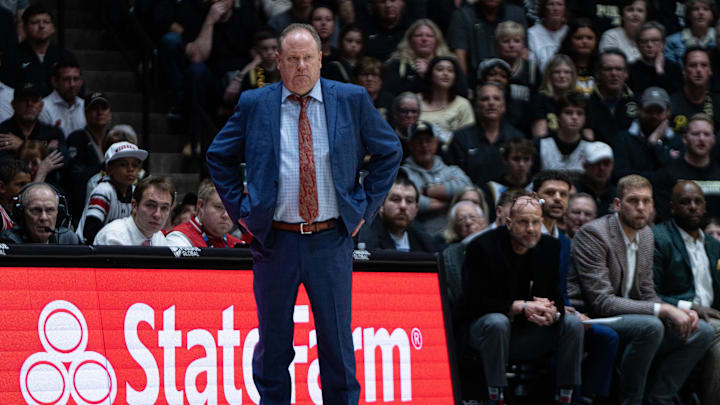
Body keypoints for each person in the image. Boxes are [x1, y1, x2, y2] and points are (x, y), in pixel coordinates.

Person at [205, 24, 402, 404]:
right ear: (278, 61)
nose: (300, 67)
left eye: (307, 58)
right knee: (274, 346)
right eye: (291, 59)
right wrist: (244, 214)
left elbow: (389, 151)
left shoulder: (351, 98)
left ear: (320, 60)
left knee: (336, 345)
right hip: (275, 240)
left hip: (331, 238)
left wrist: (363, 207)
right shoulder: (254, 103)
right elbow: (218, 155)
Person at [568, 174, 715, 405]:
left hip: (631, 317)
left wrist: (675, 311)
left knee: (702, 331)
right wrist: (664, 310)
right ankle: (630, 401)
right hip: (592, 317)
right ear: (617, 204)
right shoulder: (594, 234)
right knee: (652, 326)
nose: (641, 207)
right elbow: (602, 302)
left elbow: (648, 292)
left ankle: (659, 398)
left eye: (646, 201)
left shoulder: (646, 234)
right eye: (633, 201)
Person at [462, 195, 583, 405]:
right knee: (497, 322)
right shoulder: (482, 247)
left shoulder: (549, 248)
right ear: (509, 223)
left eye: (536, 222)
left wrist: (551, 312)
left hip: (528, 330)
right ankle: (496, 395)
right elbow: (473, 301)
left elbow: (554, 296)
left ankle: (566, 396)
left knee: (572, 323)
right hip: (484, 329)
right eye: (523, 222)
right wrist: (518, 306)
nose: (531, 228)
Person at [653, 180, 720, 404]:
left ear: (705, 207)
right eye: (685, 202)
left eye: (697, 202)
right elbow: (649, 292)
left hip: (713, 316)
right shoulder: (659, 238)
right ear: (672, 207)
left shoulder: (713, 245)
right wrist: (691, 306)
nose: (692, 207)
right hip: (678, 316)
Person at [445, 82, 523, 187]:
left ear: (503, 107)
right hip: (472, 197)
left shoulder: (516, 137)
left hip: (509, 198)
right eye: (485, 99)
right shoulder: (462, 138)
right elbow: (453, 177)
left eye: (496, 98)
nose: (491, 103)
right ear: (476, 106)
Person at [402, 120, 471, 235]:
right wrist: (451, 200)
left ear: (436, 142)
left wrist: (425, 191)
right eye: (418, 141)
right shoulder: (403, 174)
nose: (424, 145)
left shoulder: (452, 170)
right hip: (418, 238)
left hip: (453, 236)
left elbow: (467, 190)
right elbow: (415, 203)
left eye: (428, 140)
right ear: (409, 144)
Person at [76, 141, 148, 244]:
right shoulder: (103, 191)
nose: (130, 169)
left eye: (135, 165)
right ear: (109, 169)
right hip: (90, 248)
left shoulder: (135, 192)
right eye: (123, 164)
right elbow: (90, 231)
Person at [654, 113, 720, 223]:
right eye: (695, 134)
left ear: (713, 139)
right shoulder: (667, 175)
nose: (701, 139)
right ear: (684, 138)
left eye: (706, 134)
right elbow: (664, 220)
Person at [613, 86, 680, 179]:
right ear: (639, 110)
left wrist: (655, 143)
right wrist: (658, 177)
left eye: (659, 111)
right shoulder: (624, 139)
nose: (654, 116)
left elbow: (675, 175)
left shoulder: (676, 139)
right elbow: (620, 175)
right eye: (649, 111)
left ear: (668, 112)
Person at [357, 174, 435, 252]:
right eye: (396, 199)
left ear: (416, 209)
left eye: (409, 201)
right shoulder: (364, 238)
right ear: (381, 205)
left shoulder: (425, 242)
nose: (403, 206)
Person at [65, 92, 112, 220]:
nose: (99, 112)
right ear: (85, 113)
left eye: (104, 108)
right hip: (82, 206)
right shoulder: (76, 138)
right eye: (94, 108)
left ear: (110, 113)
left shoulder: (115, 139)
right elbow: (77, 176)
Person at [446, 0, 527, 74]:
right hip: (474, 80)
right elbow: (460, 54)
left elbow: (524, 52)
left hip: (511, 77)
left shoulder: (516, 14)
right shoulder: (463, 15)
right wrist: (464, 88)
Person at [166, 178, 251, 247]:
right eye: (219, 207)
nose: (226, 215)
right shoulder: (179, 239)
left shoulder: (238, 244)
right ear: (201, 205)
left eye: (231, 208)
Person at [383, 19, 458, 96]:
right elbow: (390, 94)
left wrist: (427, 74)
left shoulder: (450, 63)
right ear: (410, 40)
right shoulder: (396, 64)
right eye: (418, 35)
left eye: (429, 36)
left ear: (437, 40)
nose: (424, 39)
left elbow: (460, 91)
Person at [94, 176, 175, 246]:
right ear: (134, 205)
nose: (157, 215)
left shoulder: (158, 238)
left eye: (164, 208)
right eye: (150, 205)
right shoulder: (112, 237)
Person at [15, 5, 76, 97]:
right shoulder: (13, 55)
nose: (42, 26)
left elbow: (77, 89)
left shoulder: (65, 57)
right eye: (35, 22)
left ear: (53, 28)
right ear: (25, 27)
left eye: (46, 22)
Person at [0, 81, 65, 161]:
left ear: (41, 106)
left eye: (34, 100)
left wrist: (22, 146)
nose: (29, 104)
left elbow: (63, 161)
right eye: (24, 100)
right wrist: (46, 150)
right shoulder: (2, 132)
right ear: (13, 104)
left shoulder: (53, 133)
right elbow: (4, 166)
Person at [417, 56, 475, 145]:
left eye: (450, 70)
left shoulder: (463, 104)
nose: (445, 73)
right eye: (440, 69)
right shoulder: (415, 101)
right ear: (430, 74)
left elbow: (469, 139)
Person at [585, 48, 637, 144]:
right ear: (598, 73)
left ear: (626, 73)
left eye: (619, 69)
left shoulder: (638, 102)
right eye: (607, 69)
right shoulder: (585, 103)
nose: (613, 73)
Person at [0, 182, 79, 244]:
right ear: (21, 214)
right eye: (36, 210)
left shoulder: (68, 239)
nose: (44, 217)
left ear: (59, 214)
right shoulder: (9, 242)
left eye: (50, 210)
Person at [535, 91, 590, 174]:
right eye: (568, 112)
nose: (574, 117)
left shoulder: (591, 148)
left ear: (585, 119)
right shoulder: (540, 145)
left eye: (579, 113)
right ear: (558, 117)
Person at [670, 47, 720, 131]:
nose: (698, 70)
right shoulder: (671, 104)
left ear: (710, 71)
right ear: (684, 71)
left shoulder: (718, 102)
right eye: (693, 65)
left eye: (703, 65)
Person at [531, 54, 579, 138]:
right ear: (549, 75)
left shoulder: (579, 100)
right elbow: (540, 136)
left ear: (573, 75)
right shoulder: (540, 99)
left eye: (566, 72)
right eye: (557, 72)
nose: (562, 76)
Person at [628, 22, 683, 95]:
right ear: (638, 45)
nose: (649, 45)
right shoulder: (630, 70)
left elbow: (675, 96)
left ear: (663, 44)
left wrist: (660, 71)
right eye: (644, 41)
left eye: (655, 41)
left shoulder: (674, 68)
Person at [483, 136, 535, 214]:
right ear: (505, 160)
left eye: (526, 159)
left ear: (532, 162)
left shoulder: (536, 186)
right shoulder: (491, 188)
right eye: (516, 159)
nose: (521, 164)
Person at [38, 59, 85, 138]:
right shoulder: (44, 107)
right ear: (54, 81)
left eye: (76, 79)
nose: (72, 84)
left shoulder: (85, 105)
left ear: (81, 82)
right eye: (66, 79)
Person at [664, 0, 716, 65]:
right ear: (688, 15)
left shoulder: (717, 40)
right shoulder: (671, 42)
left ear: (712, 15)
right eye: (695, 9)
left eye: (706, 9)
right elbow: (672, 71)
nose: (700, 12)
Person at [557, 18, 599, 96]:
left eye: (589, 38)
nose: (584, 42)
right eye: (579, 38)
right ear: (569, 40)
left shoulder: (602, 67)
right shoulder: (558, 66)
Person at [576, 141, 617, 217]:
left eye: (606, 163)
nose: (602, 168)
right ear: (585, 165)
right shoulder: (574, 192)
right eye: (596, 163)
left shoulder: (617, 195)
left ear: (612, 165)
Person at [528, 0, 568, 72]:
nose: (555, 8)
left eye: (559, 4)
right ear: (544, 9)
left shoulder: (569, 32)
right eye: (551, 4)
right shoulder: (532, 33)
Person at [354, 57, 394, 121]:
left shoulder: (390, 101)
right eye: (365, 74)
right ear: (356, 79)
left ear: (381, 80)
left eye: (374, 75)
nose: (369, 79)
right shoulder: (348, 101)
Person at [0, 159, 30, 230]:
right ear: (2, 187)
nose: (27, 189)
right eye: (21, 184)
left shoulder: (19, 210)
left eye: (29, 185)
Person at [390, 91, 421, 156]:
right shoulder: (387, 138)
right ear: (395, 113)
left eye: (414, 111)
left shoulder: (426, 137)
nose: (409, 115)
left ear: (419, 114)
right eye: (404, 111)